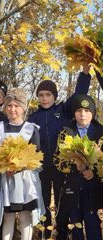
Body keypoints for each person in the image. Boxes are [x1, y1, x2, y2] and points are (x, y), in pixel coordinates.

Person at [27, 66, 92, 238]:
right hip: (41, 167)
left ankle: (62, 232)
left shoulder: (63, 111)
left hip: (62, 167)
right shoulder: (33, 118)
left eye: (48, 95)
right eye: (41, 95)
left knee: (63, 202)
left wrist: (85, 74)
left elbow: (79, 94)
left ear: (54, 96)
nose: (44, 98)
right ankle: (45, 232)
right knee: (44, 201)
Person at [0, 88, 45, 240]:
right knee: (8, 216)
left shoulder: (31, 129)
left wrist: (19, 166)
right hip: (5, 179)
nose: (12, 109)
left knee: (26, 217)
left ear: (23, 108)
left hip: (25, 181)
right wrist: (5, 162)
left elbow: (36, 154)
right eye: (9, 105)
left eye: (16, 106)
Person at [55, 94, 103, 240]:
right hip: (72, 185)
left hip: (93, 187)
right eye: (79, 110)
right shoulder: (66, 131)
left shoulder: (100, 132)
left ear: (93, 113)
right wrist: (75, 165)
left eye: (87, 111)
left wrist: (94, 172)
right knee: (75, 222)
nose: (83, 114)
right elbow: (57, 160)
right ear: (73, 113)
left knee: (92, 221)